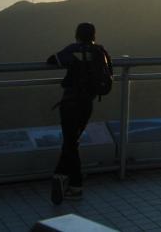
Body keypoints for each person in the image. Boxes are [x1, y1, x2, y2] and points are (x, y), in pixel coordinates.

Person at [47, 22, 112, 204]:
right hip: (87, 103)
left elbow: (52, 60)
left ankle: (74, 185)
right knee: (72, 142)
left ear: (77, 35)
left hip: (70, 103)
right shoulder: (100, 51)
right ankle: (60, 176)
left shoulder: (73, 49)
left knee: (71, 143)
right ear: (94, 35)